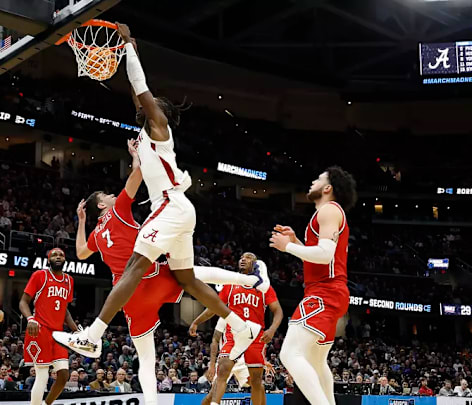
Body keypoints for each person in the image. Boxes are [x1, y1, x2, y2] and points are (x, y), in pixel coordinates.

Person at [68, 140, 268, 405]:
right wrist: (136, 154)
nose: (112, 196)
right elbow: (137, 174)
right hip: (149, 277)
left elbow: (81, 252)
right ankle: (249, 281)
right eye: (107, 196)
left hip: (125, 296)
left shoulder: (95, 234)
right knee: (193, 276)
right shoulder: (119, 209)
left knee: (147, 359)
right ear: (103, 206)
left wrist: (82, 221)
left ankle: (150, 401)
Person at [270, 167, 357, 405]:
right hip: (331, 292)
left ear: (328, 188)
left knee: (289, 354)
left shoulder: (329, 210)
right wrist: (297, 241)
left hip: (325, 292)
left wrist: (286, 247)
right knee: (317, 362)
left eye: (318, 179)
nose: (312, 181)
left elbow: (325, 255)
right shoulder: (328, 213)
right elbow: (319, 255)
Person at [190, 252, 284, 405]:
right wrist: (196, 321)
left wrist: (272, 329)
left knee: (256, 380)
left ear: (255, 263)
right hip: (233, 333)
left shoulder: (264, 287)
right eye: (241, 257)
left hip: (255, 336)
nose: (243, 259)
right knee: (223, 371)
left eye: (247, 258)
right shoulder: (230, 284)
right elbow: (214, 307)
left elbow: (278, 311)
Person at [20, 248, 78, 405]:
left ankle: (46, 404)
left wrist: (76, 329)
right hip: (40, 330)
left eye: (61, 255)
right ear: (48, 260)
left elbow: (64, 309)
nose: (58, 257)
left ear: (65, 260)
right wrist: (30, 319)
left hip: (58, 333)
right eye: (54, 255)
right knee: (43, 375)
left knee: (64, 375)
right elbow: (23, 302)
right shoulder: (40, 275)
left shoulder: (69, 280)